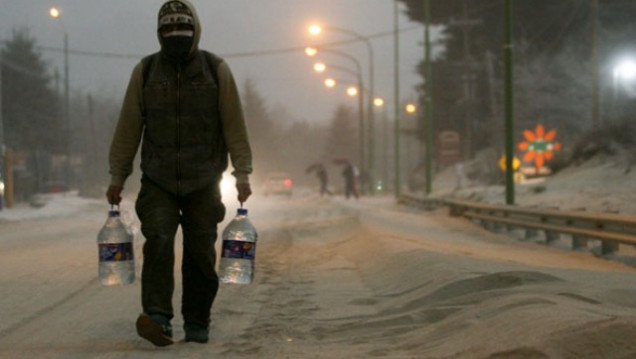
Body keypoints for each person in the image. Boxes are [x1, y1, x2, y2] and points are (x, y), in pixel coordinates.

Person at [105, 0, 252, 346]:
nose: (175, 35)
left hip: (204, 180)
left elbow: (234, 125)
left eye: (182, 28)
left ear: (195, 30)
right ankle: (158, 317)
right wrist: (117, 176)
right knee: (157, 240)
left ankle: (197, 320)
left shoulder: (216, 70)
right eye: (168, 29)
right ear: (159, 33)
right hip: (158, 180)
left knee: (201, 250)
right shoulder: (146, 71)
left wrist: (242, 172)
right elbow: (128, 128)